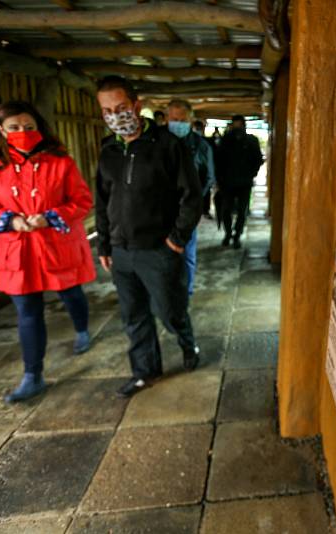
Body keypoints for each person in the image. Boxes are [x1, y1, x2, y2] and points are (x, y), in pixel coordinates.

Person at [0, 100, 96, 403]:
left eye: (29, 127)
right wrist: (11, 220)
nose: (22, 132)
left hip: (55, 243)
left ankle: (82, 329)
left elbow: (82, 200)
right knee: (27, 313)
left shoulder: (60, 162)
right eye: (14, 127)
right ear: (1, 130)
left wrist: (50, 216)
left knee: (71, 294)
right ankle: (33, 376)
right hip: (18, 249)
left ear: (39, 127)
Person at [95, 76, 203, 397]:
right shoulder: (109, 150)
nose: (116, 116)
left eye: (121, 108)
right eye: (107, 110)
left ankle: (187, 342)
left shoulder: (170, 146)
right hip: (121, 251)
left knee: (169, 311)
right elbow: (102, 201)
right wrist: (104, 243)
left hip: (158, 249)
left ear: (136, 106)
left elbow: (191, 197)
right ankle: (145, 370)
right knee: (134, 315)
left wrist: (176, 239)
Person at [166, 99, 216, 298]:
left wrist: (194, 202)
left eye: (182, 119)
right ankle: (165, 291)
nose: (177, 123)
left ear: (190, 119)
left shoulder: (201, 146)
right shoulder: (156, 142)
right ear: (167, 117)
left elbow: (209, 176)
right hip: (160, 210)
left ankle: (185, 291)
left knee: (186, 252)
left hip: (187, 210)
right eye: (173, 119)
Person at [217, 115, 263, 249]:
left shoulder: (251, 141)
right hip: (227, 183)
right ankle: (228, 233)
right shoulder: (225, 141)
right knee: (226, 210)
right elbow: (218, 161)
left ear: (244, 126)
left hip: (244, 182)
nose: (237, 128)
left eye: (239, 125)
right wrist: (219, 180)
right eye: (235, 125)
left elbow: (258, 160)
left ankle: (237, 235)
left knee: (242, 211)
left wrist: (251, 174)